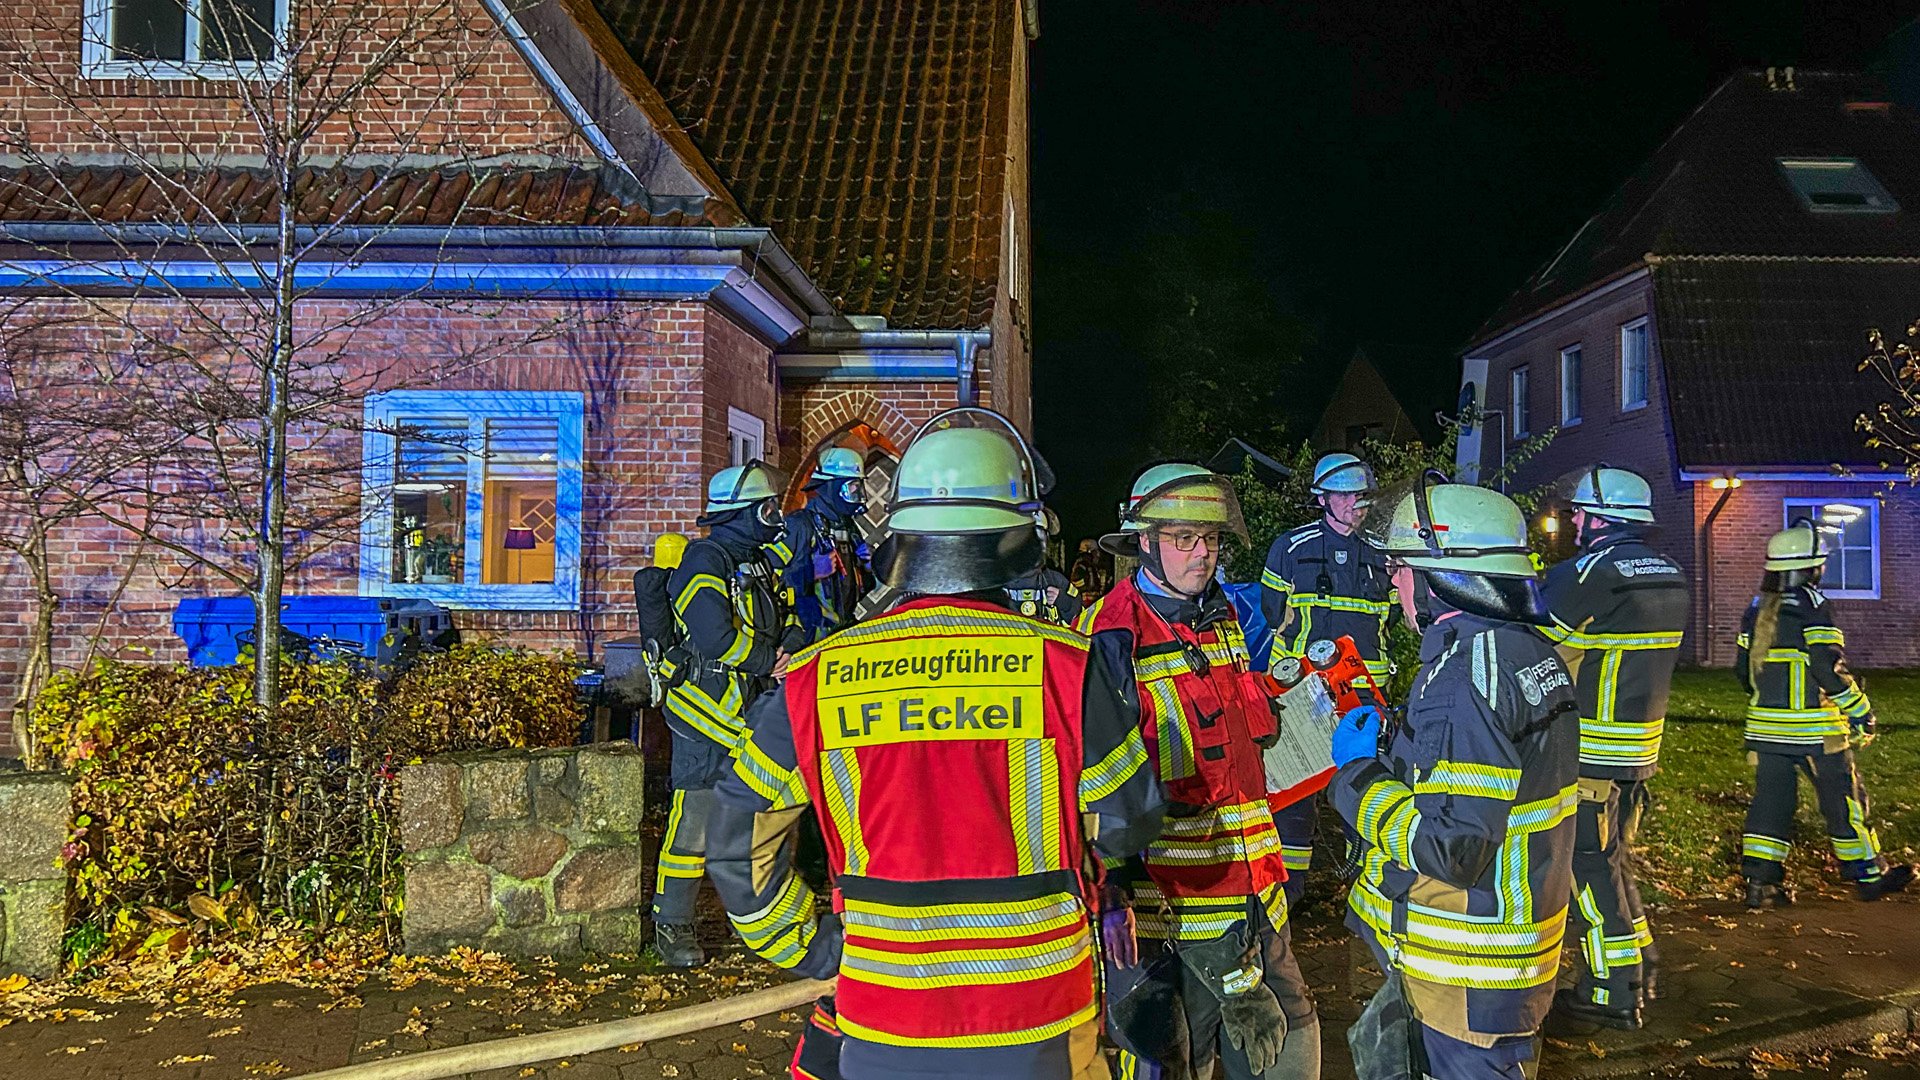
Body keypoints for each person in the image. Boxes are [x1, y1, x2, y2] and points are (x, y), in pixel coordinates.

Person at [704, 408, 1164, 1080]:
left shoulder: (814, 680)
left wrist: (825, 950)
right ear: (1020, 533)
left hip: (882, 1019)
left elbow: (735, 850)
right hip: (1038, 1022)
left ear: (901, 534)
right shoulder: (1067, 666)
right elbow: (1127, 824)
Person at [1331, 477, 1578, 1079]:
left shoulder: (1464, 676)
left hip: (1463, 975)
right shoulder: (1529, 652)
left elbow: (1452, 847)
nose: (1393, 580)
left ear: (1449, 575)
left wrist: (1357, 774)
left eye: (1403, 566)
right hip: (1509, 961)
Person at [1082, 462, 1322, 1080]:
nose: (1203, 555)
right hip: (1172, 910)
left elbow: (1233, 729)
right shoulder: (1112, 636)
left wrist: (1294, 703)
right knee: (1173, 1059)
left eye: (1211, 540)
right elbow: (1105, 791)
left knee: (1291, 1041)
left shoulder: (1219, 617)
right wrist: (1113, 894)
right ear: (1144, 541)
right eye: (1185, 539)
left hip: (1254, 886)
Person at [1539, 467, 1687, 1029]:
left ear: (1600, 518)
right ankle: (1640, 958)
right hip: (1638, 750)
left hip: (1589, 754)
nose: (1573, 521)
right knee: (1612, 860)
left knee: (1586, 869)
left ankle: (1610, 990)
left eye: (1579, 512)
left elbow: (1529, 640)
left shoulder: (1587, 573)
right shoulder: (1668, 572)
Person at [652, 460, 799, 969]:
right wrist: (769, 660)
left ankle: (766, 917)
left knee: (768, 814)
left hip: (751, 706)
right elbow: (714, 637)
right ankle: (671, 924)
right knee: (694, 823)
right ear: (749, 511)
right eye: (769, 507)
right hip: (703, 711)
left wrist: (791, 648)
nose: (776, 515)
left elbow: (791, 615)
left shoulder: (759, 563)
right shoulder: (703, 562)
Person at [1736, 523, 1913, 908]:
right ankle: (1868, 876)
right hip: (1815, 730)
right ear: (1812, 568)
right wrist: (1860, 710)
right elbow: (1825, 666)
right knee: (1843, 800)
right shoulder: (1814, 604)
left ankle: (1760, 885)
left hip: (1766, 730)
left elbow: (1742, 671)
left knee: (1771, 803)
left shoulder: (1757, 606)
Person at [1260, 452, 1395, 906]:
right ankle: (1291, 888)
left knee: (1366, 782)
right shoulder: (1290, 548)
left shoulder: (1382, 552)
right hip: (1304, 695)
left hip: (1364, 699)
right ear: (1323, 498)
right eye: (1346, 494)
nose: (1356, 502)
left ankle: (1364, 879)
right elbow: (1271, 613)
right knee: (1298, 790)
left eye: (1361, 494)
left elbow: (1395, 617)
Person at [781, 447, 874, 643]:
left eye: (859, 488)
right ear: (833, 487)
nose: (859, 495)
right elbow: (770, 585)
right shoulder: (798, 526)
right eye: (853, 488)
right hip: (809, 638)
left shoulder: (849, 528)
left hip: (843, 634)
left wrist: (866, 568)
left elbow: (856, 588)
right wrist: (811, 572)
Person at [1007, 509, 1084, 625]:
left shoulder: (1055, 580)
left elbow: (1079, 618)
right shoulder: (996, 582)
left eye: (1042, 538)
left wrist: (1064, 602)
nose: (1038, 546)